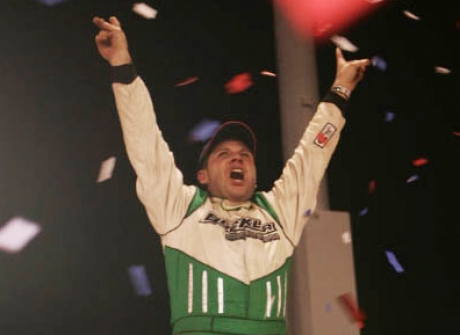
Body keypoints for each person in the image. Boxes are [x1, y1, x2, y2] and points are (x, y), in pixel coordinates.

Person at [93, 15, 369, 335]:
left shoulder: (279, 212)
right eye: (223, 154)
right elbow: (144, 140)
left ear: (254, 177)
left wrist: (341, 90)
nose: (236, 157)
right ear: (203, 176)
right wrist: (122, 65)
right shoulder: (179, 209)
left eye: (245, 155)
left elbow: (313, 154)